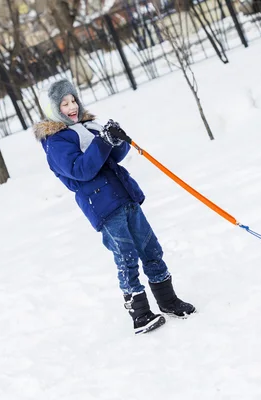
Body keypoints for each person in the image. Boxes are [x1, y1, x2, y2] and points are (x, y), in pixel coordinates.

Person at [33, 79, 195, 334]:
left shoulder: (88, 126)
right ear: (54, 110)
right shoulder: (56, 142)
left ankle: (168, 300)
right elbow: (81, 170)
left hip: (124, 196)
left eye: (73, 99)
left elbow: (114, 157)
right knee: (126, 257)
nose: (72, 106)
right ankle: (140, 314)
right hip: (103, 205)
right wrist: (102, 142)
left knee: (151, 248)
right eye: (64, 103)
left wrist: (116, 140)